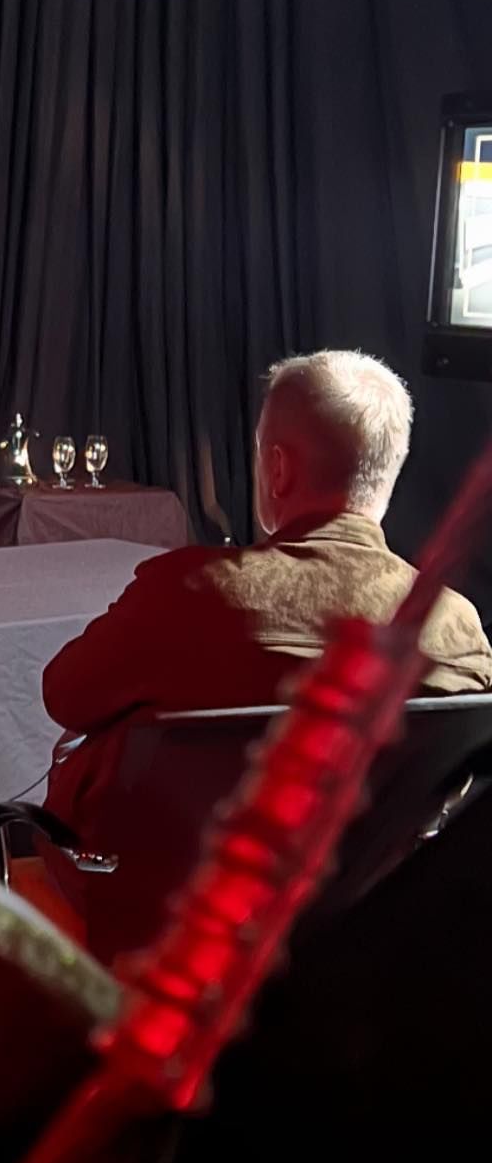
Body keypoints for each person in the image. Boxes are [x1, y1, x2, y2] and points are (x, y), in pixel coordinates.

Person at [41, 350, 492, 848]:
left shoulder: (188, 592)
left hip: (161, 890)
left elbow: (64, 695)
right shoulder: (457, 627)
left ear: (278, 468)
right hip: (379, 894)